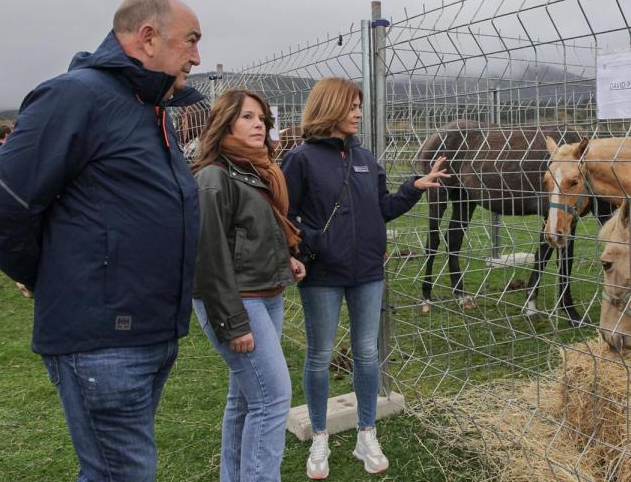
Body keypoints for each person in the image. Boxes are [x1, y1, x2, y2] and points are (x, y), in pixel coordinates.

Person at [0, 0, 204, 481]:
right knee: (123, 473)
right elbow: (4, 206)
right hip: (103, 336)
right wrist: (47, 274)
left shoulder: (148, 109)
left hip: (148, 330)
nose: (197, 57)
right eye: (190, 41)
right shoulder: (76, 96)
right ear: (148, 37)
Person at [282, 78, 449, 479]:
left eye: (360, 105)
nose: (359, 112)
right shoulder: (301, 159)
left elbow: (382, 208)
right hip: (322, 274)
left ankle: (366, 434)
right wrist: (313, 244)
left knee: (368, 354)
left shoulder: (367, 159)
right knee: (320, 356)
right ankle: (320, 435)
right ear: (330, 107)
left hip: (368, 273)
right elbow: (283, 215)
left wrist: (413, 188)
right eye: (352, 105)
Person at [192, 89, 307, 482]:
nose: (259, 124)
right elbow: (208, 255)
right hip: (237, 302)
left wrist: (285, 260)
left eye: (261, 118)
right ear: (224, 123)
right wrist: (233, 320)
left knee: (244, 400)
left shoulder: (257, 171)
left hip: (265, 296)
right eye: (247, 117)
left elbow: (249, 236)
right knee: (273, 400)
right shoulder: (214, 176)